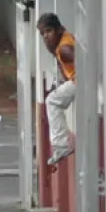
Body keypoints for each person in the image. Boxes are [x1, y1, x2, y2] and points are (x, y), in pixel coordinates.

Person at [37, 12, 77, 167]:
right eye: (42, 34)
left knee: (52, 101)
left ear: (59, 29)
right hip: (77, 81)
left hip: (81, 82)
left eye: (48, 31)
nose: (46, 36)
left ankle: (61, 146)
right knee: (55, 97)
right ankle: (61, 146)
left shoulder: (64, 48)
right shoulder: (63, 40)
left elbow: (75, 57)